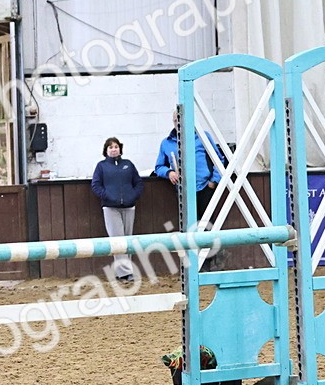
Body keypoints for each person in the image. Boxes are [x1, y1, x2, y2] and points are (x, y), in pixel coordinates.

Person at [154, 109, 226, 225]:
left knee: (208, 225)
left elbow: (219, 159)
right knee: (189, 226)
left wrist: (214, 181)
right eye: (175, 120)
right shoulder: (166, 143)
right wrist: (169, 172)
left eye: (180, 120)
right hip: (183, 191)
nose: (178, 123)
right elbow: (158, 167)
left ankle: (208, 244)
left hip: (204, 187)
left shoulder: (203, 137)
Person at [90, 137, 143, 283]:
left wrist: (132, 196)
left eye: (116, 146)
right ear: (106, 150)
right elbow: (95, 185)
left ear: (120, 149)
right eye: (110, 147)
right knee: (117, 240)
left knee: (128, 240)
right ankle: (125, 273)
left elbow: (138, 183)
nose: (114, 149)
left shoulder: (128, 165)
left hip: (129, 206)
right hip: (110, 208)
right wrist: (107, 196)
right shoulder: (101, 166)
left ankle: (125, 271)